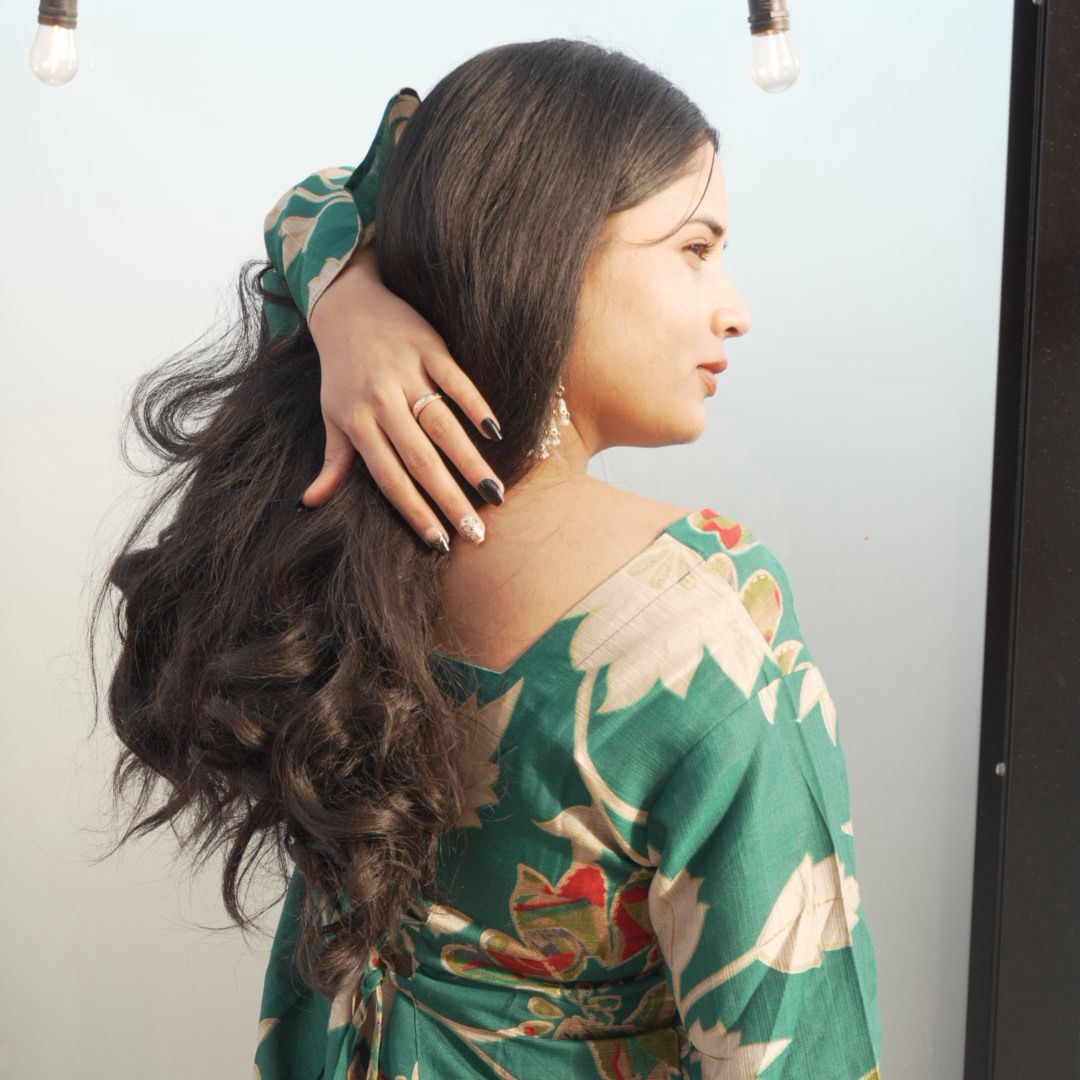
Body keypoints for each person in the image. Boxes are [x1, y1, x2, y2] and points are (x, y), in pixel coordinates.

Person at [95, 38, 884, 1080]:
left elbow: (326, 198)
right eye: (695, 249)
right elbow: (799, 1046)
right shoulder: (699, 632)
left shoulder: (335, 533)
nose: (733, 305)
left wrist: (344, 306)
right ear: (550, 255)